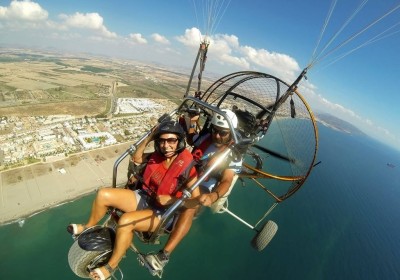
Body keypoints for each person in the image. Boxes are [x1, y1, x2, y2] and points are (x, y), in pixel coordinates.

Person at [67, 121, 200, 280]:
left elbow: (196, 201)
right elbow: (137, 157)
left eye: (171, 140)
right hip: (146, 198)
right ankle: (88, 226)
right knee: (103, 194)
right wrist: (150, 137)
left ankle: (111, 266)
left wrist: (171, 200)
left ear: (179, 141)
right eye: (162, 141)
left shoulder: (187, 168)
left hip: (163, 214)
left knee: (126, 220)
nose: (166, 145)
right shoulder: (157, 157)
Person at [144, 109, 242, 271]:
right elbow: (191, 138)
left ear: (231, 133)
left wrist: (214, 195)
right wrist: (192, 122)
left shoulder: (232, 155)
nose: (217, 136)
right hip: (185, 173)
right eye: (215, 131)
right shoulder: (206, 138)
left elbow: (226, 180)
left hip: (203, 184)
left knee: (191, 206)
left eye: (223, 133)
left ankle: (164, 255)